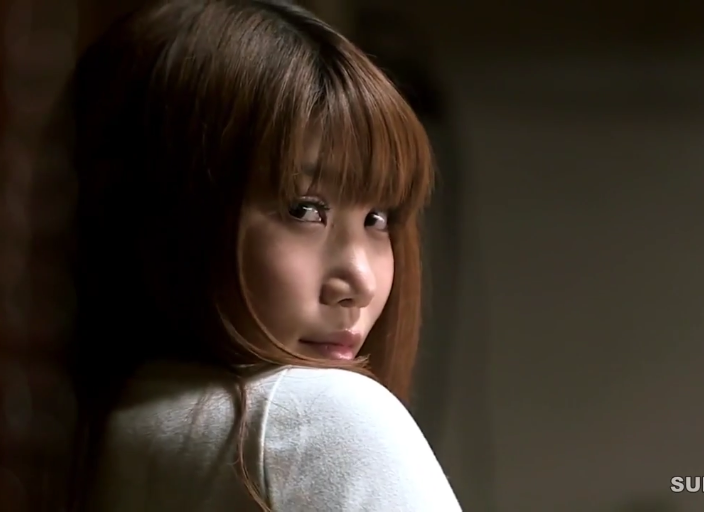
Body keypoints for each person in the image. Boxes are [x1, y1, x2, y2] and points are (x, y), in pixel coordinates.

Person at [65, 0, 461, 510]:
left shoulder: (84, 434)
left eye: (378, 219)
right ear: (172, 210)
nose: (360, 282)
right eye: (304, 209)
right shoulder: (322, 421)